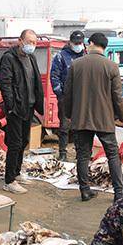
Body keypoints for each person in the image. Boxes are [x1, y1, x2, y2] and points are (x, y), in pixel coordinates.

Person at [61, 32, 123, 202]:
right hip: (104, 119)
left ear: (91, 43)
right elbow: (117, 96)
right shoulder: (112, 66)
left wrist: (69, 114)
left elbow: (67, 94)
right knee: (112, 155)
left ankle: (85, 190)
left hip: (81, 119)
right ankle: (118, 193)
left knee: (83, 156)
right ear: (104, 47)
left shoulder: (76, 65)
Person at [0, 29, 44, 194]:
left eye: (34, 42)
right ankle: (9, 180)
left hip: (29, 106)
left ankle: (17, 173)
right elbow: (5, 83)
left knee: (24, 141)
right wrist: (11, 106)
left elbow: (35, 81)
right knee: (14, 143)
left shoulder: (31, 57)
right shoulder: (9, 58)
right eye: (29, 42)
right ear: (20, 41)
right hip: (16, 108)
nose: (32, 45)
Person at [50, 30, 86, 161]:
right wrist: (60, 93)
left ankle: (80, 152)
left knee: (80, 127)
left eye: (80, 43)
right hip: (65, 98)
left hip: (82, 99)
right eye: (75, 43)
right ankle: (63, 153)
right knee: (64, 126)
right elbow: (54, 76)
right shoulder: (61, 56)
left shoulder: (86, 55)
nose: (78, 45)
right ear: (70, 43)